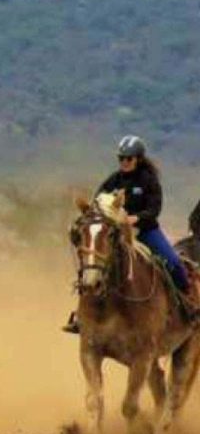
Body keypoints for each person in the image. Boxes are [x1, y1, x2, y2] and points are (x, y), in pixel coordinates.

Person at [64, 135, 193, 334]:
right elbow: (97, 206)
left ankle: (188, 305)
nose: (124, 162)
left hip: (146, 232)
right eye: (121, 158)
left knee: (174, 263)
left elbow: (154, 209)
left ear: (138, 159)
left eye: (128, 158)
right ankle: (82, 315)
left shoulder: (149, 181)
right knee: (93, 266)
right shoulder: (113, 181)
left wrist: (135, 219)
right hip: (116, 234)